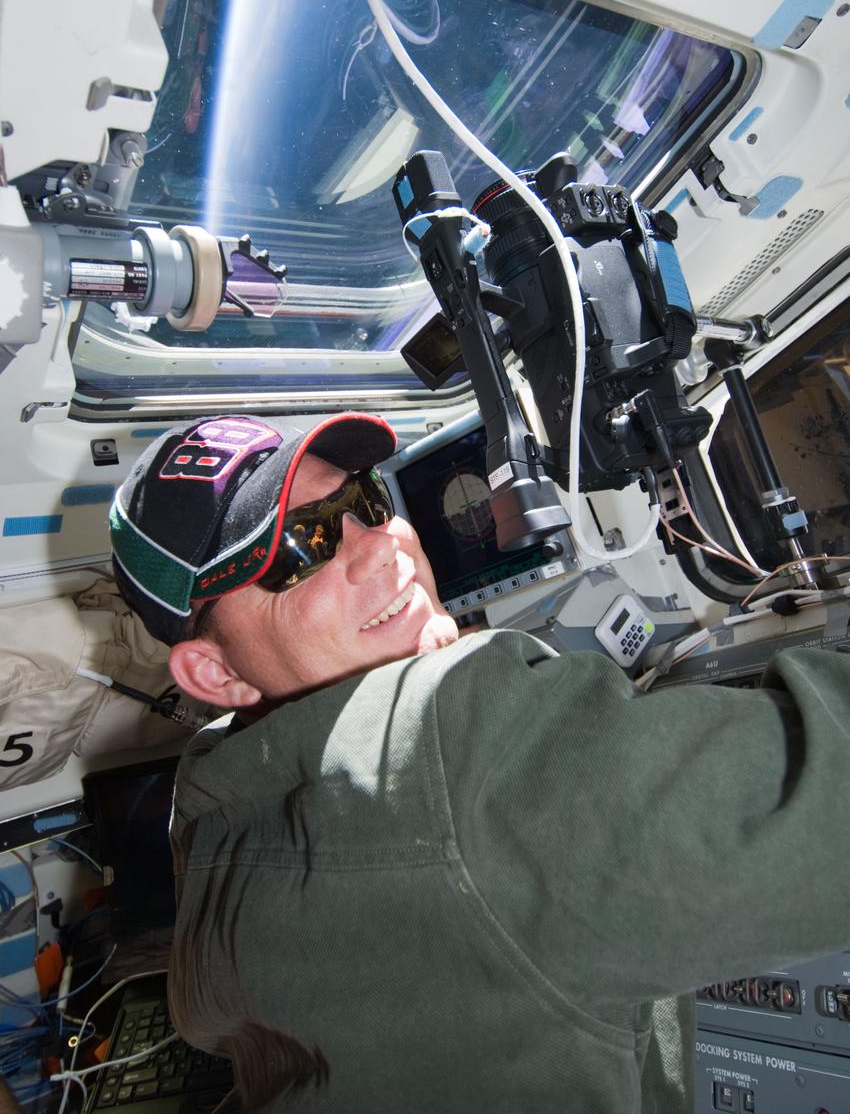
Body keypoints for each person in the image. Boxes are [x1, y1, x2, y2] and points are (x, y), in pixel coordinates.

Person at [110, 411, 850, 1114]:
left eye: (362, 501)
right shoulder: (456, 749)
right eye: (299, 552)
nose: (381, 543)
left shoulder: (212, 813)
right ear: (216, 678)